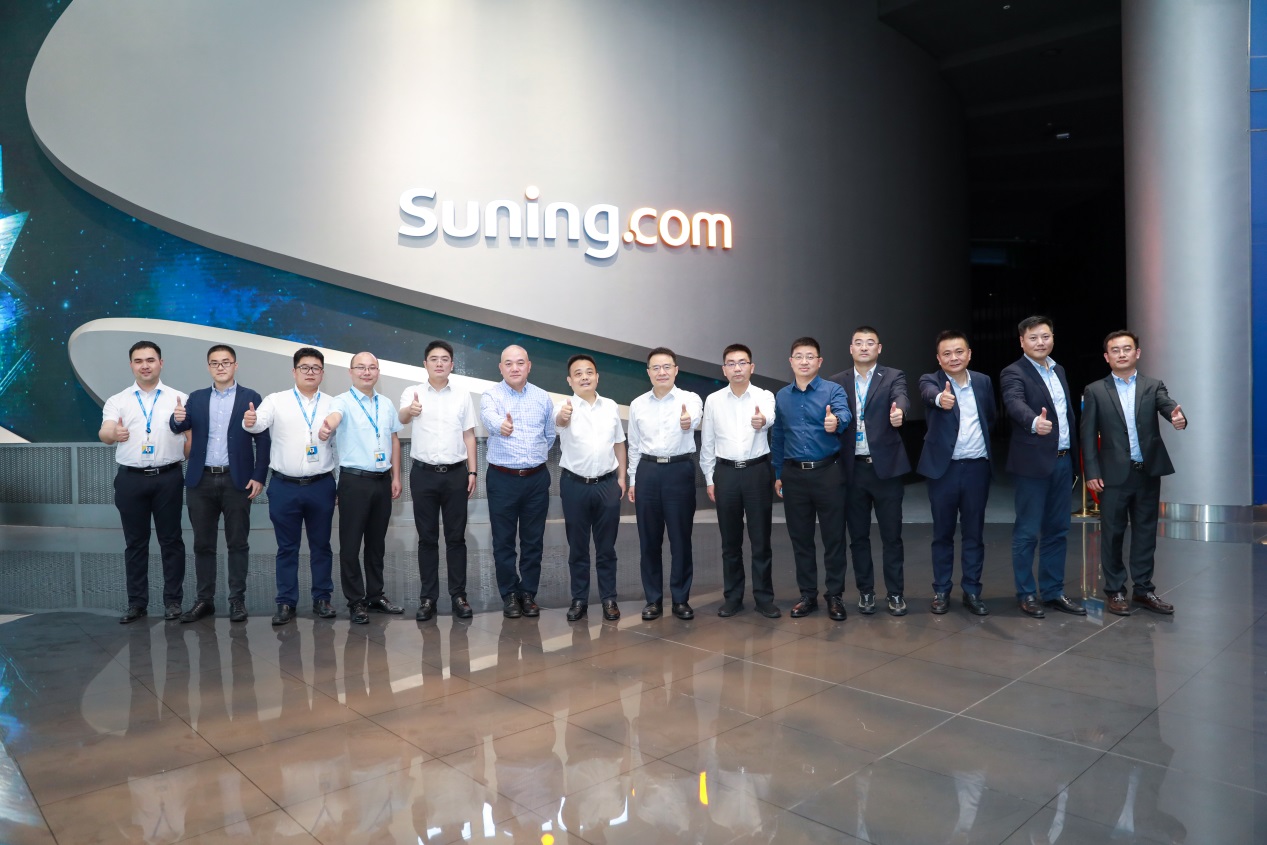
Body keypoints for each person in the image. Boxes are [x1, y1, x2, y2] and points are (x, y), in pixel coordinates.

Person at [1081, 330, 1187, 616]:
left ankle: (1143, 590)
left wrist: (1177, 418)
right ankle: (1115, 591)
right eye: (1115, 350)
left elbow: (1169, 406)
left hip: (1147, 473)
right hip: (1112, 475)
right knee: (1112, 534)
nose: (1122, 354)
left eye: (1127, 349)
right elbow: (1088, 435)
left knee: (1146, 532)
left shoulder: (1153, 386)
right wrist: (1091, 471)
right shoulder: (1095, 390)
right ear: (1107, 357)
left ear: (1137, 353)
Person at [169, 344, 270, 623]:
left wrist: (259, 475)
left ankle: (237, 600)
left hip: (237, 481)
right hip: (200, 480)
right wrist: (176, 419)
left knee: (238, 543)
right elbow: (179, 426)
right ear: (209, 367)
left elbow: (263, 440)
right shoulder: (197, 398)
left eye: (226, 362)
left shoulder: (251, 397)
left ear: (235, 365)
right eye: (215, 363)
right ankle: (205, 600)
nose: (221, 367)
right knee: (203, 544)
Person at [242, 347, 339, 625]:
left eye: (315, 368)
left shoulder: (333, 404)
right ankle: (286, 602)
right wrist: (249, 421)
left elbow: (339, 446)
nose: (310, 372)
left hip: (321, 485)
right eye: (304, 367)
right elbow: (257, 424)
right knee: (287, 548)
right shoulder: (276, 400)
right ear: (294, 371)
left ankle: (322, 599)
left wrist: (339, 484)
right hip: (284, 486)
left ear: (322, 373)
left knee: (321, 546)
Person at [1000, 316, 1086, 618]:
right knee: (1027, 531)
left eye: (1045, 336)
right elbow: (1014, 403)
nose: (1040, 342)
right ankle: (1026, 593)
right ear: (1022, 341)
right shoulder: (1013, 372)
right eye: (1033, 337)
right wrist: (1034, 422)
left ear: (1053, 338)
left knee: (1058, 530)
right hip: (1032, 465)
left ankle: (1053, 592)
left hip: (1062, 461)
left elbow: (1067, 414)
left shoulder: (1058, 369)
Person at [99, 341, 190, 624]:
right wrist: (114, 433)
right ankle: (137, 603)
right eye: (138, 361)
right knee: (135, 543)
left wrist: (185, 428)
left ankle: (173, 601)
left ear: (161, 363)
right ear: (131, 365)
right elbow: (105, 432)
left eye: (150, 360)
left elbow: (190, 442)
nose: (145, 365)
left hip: (168, 478)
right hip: (131, 480)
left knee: (171, 541)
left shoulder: (179, 398)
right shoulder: (118, 400)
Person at [828, 326, 911, 617]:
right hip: (853, 471)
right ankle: (866, 591)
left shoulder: (892, 376)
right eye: (859, 343)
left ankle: (896, 593)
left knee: (892, 536)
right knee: (858, 537)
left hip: (886, 469)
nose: (864, 347)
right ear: (851, 348)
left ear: (879, 348)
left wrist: (900, 412)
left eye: (870, 342)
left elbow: (901, 397)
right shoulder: (836, 382)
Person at [770, 337, 851, 620]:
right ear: (791, 361)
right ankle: (807, 596)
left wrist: (836, 421)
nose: (804, 361)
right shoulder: (782, 396)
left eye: (810, 356)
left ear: (819, 361)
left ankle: (835, 596)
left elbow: (844, 413)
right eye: (799, 356)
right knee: (801, 538)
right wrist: (778, 473)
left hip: (828, 472)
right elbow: (778, 436)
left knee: (834, 538)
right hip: (793, 475)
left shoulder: (833, 390)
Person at [320, 352, 404, 624]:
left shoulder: (386, 404)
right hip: (354, 481)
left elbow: (394, 440)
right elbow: (334, 417)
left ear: (378, 371)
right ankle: (355, 600)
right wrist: (328, 426)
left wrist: (396, 476)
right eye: (361, 367)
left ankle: (375, 595)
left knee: (376, 544)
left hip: (382, 480)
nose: (366, 372)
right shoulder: (341, 401)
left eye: (372, 367)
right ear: (351, 372)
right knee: (351, 544)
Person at [917, 331, 996, 616]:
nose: (954, 358)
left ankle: (972, 591)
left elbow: (990, 417)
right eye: (947, 354)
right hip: (944, 471)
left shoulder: (983, 382)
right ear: (939, 359)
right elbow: (928, 395)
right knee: (943, 533)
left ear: (969, 354)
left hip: (977, 468)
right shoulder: (930, 380)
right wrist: (941, 399)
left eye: (959, 352)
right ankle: (941, 590)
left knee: (974, 533)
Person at [399, 340, 478, 622]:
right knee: (427, 539)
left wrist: (472, 472)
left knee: (456, 538)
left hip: (456, 474)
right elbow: (402, 417)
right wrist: (410, 411)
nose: (440, 363)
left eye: (445, 359)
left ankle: (459, 596)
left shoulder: (462, 395)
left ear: (452, 364)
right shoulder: (413, 393)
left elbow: (469, 435)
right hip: (423, 475)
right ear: (425, 364)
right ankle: (428, 598)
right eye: (434, 359)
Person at [699, 343, 779, 618]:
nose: (737, 368)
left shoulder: (764, 396)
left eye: (742, 362)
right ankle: (732, 597)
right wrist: (709, 478)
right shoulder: (713, 400)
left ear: (751, 367)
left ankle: (764, 598)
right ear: (724, 369)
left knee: (761, 540)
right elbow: (707, 442)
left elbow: (770, 417)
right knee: (730, 542)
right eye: (731, 363)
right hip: (726, 474)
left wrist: (762, 421)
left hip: (757, 472)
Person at [626, 347, 703, 621]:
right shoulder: (637, 404)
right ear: (648, 372)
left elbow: (694, 418)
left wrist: (688, 421)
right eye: (656, 368)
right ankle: (653, 600)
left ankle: (681, 599)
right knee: (649, 540)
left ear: (676, 370)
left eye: (667, 367)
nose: (662, 372)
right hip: (647, 471)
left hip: (679, 471)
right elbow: (633, 445)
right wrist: (633, 479)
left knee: (681, 539)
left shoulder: (690, 399)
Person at [479, 345, 556, 619]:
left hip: (536, 479)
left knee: (533, 540)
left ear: (529, 366)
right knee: (504, 541)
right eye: (509, 363)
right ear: (500, 368)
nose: (515, 368)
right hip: (502, 479)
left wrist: (533, 458)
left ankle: (528, 593)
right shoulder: (491, 395)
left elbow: (549, 435)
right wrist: (501, 425)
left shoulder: (543, 397)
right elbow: (489, 418)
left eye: (520, 363)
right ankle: (510, 594)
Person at [554, 354, 627, 622]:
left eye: (589, 372)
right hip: (575, 485)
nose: (584, 377)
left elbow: (619, 443)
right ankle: (579, 599)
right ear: (569, 380)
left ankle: (609, 599)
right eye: (578, 373)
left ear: (597, 377)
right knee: (578, 547)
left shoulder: (610, 406)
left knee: (607, 547)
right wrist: (563, 417)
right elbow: (559, 422)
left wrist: (622, 477)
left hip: (607, 484)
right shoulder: (564, 407)